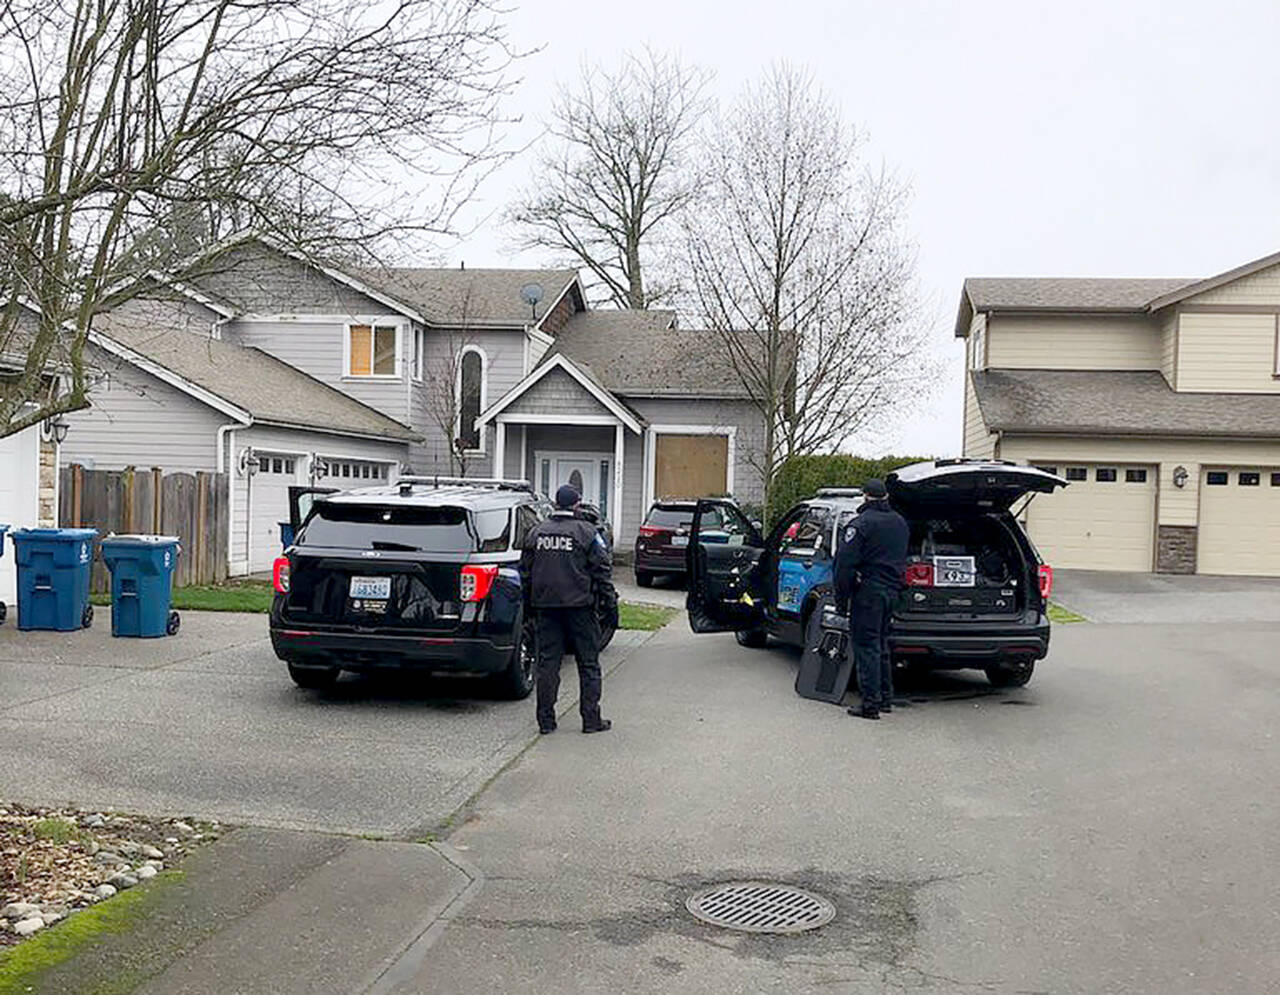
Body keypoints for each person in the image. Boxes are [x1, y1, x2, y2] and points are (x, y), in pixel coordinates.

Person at [521, 484, 616, 735]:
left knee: (548, 664)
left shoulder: (536, 532)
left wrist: (529, 606)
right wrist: (610, 604)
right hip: (580, 607)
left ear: (555, 504)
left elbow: (525, 573)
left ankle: (546, 721)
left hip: (546, 608)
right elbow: (601, 570)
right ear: (576, 504)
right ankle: (591, 719)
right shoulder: (586, 531)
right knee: (588, 663)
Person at [833, 478, 909, 720]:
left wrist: (841, 600)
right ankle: (885, 698)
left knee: (867, 647)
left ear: (865, 496)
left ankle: (870, 705)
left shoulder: (861, 524)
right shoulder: (900, 523)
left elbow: (844, 565)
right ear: (885, 496)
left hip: (868, 592)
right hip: (892, 592)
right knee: (882, 645)